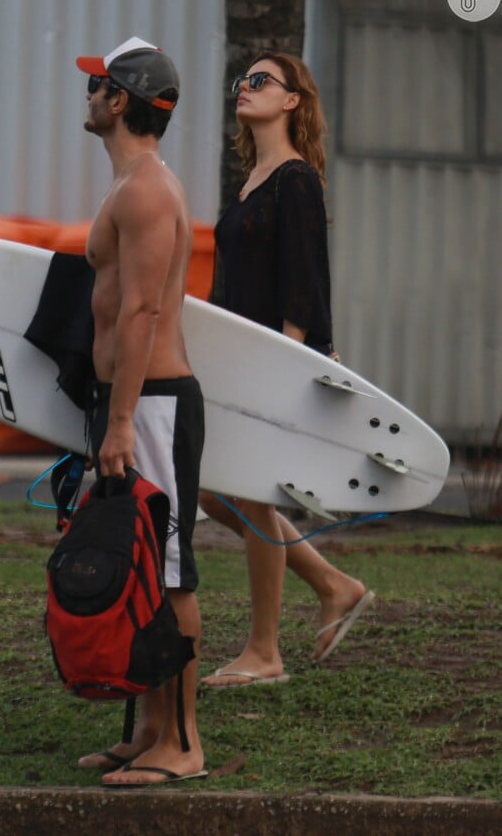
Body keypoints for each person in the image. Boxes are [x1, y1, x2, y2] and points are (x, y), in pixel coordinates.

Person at [200, 51, 374, 689]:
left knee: (247, 492)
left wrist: (281, 365)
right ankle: (334, 585)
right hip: (239, 361)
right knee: (213, 490)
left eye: (260, 80)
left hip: (271, 364)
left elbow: (303, 283)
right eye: (241, 80)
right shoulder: (251, 180)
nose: (244, 88)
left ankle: (264, 651)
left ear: (293, 100)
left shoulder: (296, 179)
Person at [74, 37, 207, 786]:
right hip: (129, 404)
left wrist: (121, 422)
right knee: (143, 570)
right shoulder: (130, 185)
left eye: (98, 86)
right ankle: (150, 729)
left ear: (120, 100)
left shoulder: (148, 190)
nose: (89, 96)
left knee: (174, 574)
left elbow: (145, 310)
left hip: (152, 407)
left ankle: (184, 745)